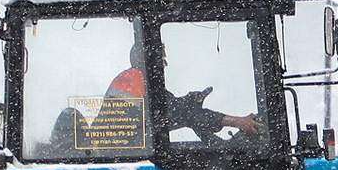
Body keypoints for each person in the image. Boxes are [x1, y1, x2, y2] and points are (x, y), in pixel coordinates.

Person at [105, 37, 257, 141]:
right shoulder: (135, 81)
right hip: (128, 150)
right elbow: (176, 113)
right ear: (147, 60)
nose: (165, 65)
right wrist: (235, 121)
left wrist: (187, 101)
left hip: (128, 146)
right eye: (162, 59)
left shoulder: (135, 79)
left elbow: (169, 109)